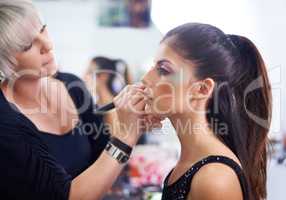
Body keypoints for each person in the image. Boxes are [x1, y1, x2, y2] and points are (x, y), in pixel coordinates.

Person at [0, 1, 160, 199]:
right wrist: (126, 135)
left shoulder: (72, 86)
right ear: (4, 60)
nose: (48, 45)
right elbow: (68, 196)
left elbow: (104, 156)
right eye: (28, 44)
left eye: (43, 29)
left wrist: (134, 121)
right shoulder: (5, 124)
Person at [141, 23, 272, 200]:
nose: (146, 78)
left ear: (202, 89)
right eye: (153, 67)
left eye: (163, 70)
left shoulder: (214, 178)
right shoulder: (190, 163)